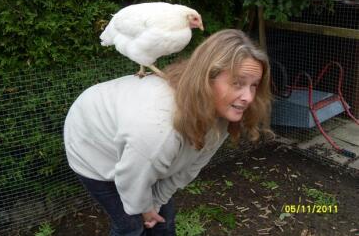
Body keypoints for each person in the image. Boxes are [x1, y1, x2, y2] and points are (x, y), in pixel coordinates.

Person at [63, 29, 273, 236]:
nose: (248, 97)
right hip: (91, 142)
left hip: (139, 153)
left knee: (163, 222)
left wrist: (155, 203)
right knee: (131, 226)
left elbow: (190, 167)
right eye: (237, 83)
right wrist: (145, 209)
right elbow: (132, 178)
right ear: (206, 78)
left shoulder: (225, 114)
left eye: (253, 86)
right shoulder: (159, 127)